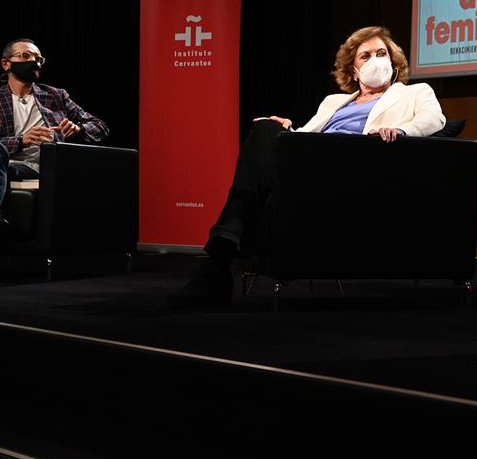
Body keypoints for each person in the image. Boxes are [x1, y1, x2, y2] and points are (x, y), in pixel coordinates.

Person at [169, 26, 445, 307]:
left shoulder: (414, 92)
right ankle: (219, 258)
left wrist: (399, 130)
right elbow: (307, 136)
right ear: (353, 72)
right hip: (311, 163)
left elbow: (435, 119)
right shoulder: (334, 102)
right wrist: (288, 130)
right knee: (266, 128)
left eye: (381, 53)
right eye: (366, 56)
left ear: (393, 61)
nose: (376, 60)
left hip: (353, 167)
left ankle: (217, 263)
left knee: (263, 162)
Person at [0, 39, 108, 274]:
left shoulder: (55, 95)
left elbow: (100, 126)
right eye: (26, 56)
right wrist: (21, 140)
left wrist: (78, 129)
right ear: (6, 64)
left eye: (38, 58)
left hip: (33, 168)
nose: (34, 62)